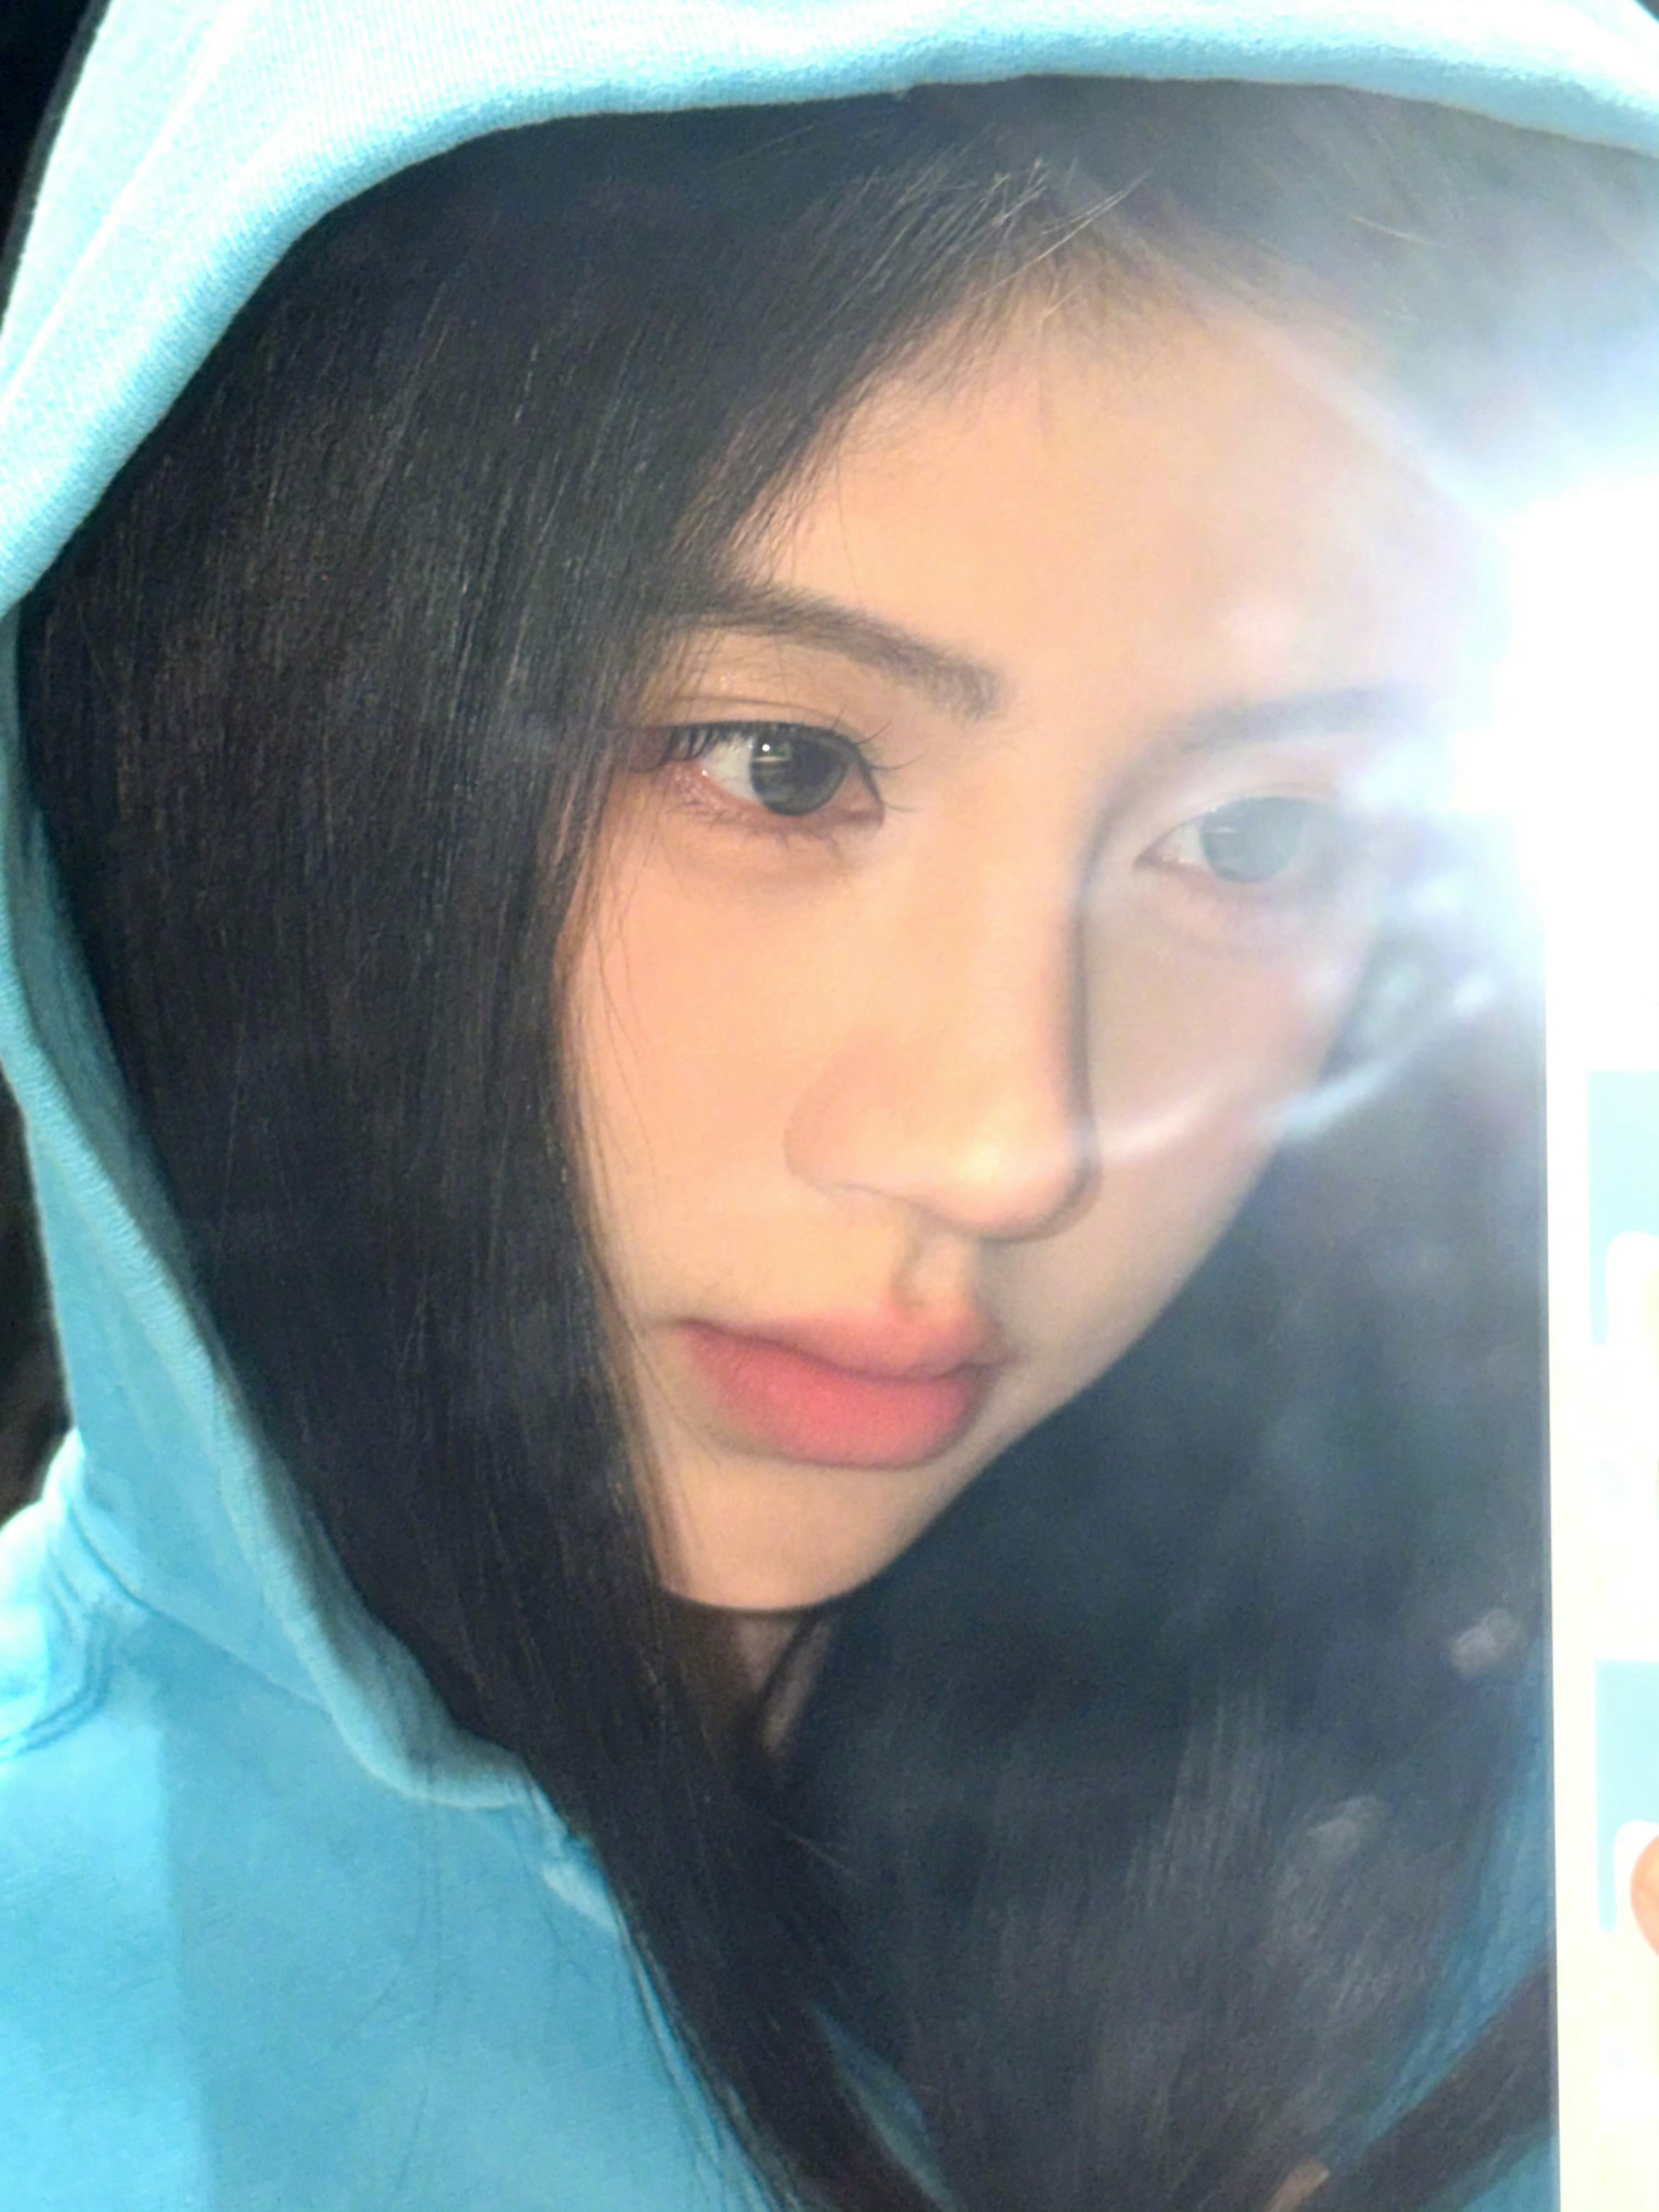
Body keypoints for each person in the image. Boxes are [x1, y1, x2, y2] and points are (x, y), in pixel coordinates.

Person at [1, 8, 1657, 2212]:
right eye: (779, 768)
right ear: (243, 699)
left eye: (1258, 840)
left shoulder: (1579, 1894)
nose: (1006, 1146)